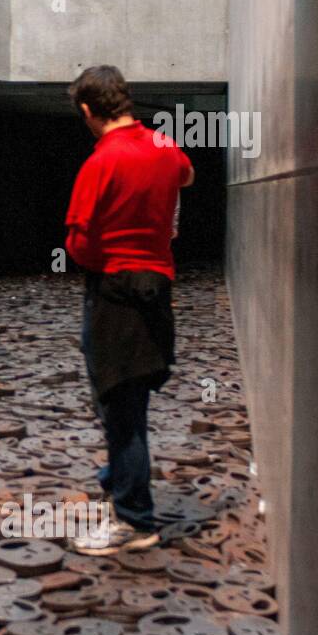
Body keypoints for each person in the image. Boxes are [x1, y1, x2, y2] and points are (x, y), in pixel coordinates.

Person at [63, 66, 195, 556]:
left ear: (88, 111)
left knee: (120, 405)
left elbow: (78, 243)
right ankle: (117, 474)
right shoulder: (163, 146)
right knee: (132, 393)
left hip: (115, 290)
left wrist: (106, 260)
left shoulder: (100, 162)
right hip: (157, 286)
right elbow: (186, 174)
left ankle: (135, 520)